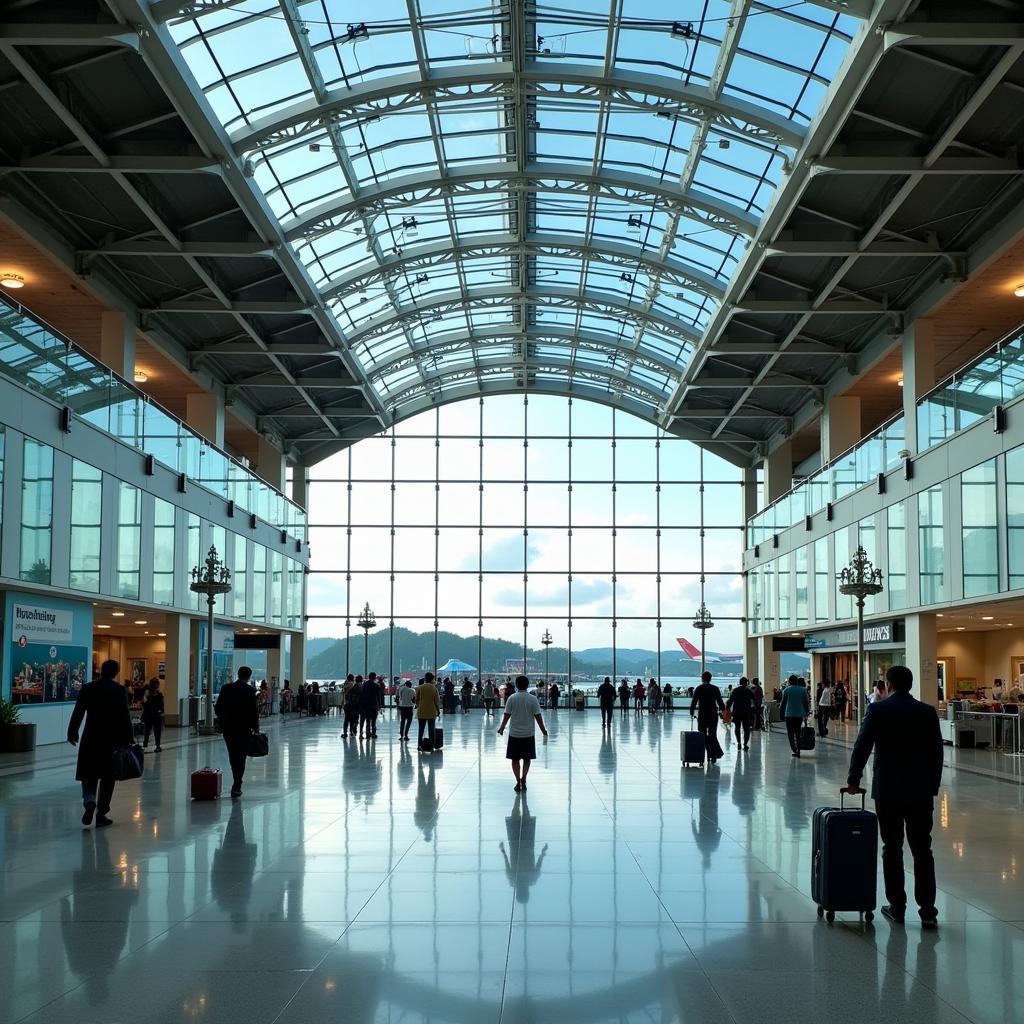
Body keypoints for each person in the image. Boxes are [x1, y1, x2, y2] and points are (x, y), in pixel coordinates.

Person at [843, 665, 943, 929]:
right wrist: (932, 785)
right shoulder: (927, 712)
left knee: (892, 847)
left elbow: (862, 745)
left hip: (888, 790)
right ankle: (928, 910)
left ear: (888, 685)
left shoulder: (878, 710)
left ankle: (897, 906)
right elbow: (937, 753)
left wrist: (854, 778)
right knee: (923, 849)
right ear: (910, 685)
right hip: (920, 791)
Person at [67, 659, 134, 828]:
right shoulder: (119, 690)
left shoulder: (88, 688)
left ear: (101, 671)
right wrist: (129, 737)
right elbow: (125, 716)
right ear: (115, 673)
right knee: (108, 777)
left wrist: (72, 731)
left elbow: (79, 711)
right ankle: (102, 813)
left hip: (91, 737)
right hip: (111, 741)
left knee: (89, 773)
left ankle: (89, 800)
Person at [214, 665, 259, 798]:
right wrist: (255, 726)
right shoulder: (250, 691)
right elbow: (253, 711)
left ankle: (237, 781)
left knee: (233, 755)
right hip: (244, 729)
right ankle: (237, 784)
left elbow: (218, 708)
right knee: (242, 756)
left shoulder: (226, 688)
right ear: (249, 676)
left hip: (228, 728)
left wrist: (223, 719)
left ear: (238, 675)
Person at [498, 675, 548, 791]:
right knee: (527, 758)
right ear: (527, 685)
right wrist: (543, 730)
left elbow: (506, 716)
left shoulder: (511, 698)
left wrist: (501, 728)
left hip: (514, 734)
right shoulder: (532, 699)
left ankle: (517, 781)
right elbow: (538, 716)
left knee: (514, 759)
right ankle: (524, 778)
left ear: (516, 685)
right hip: (528, 734)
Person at [690, 670, 726, 763]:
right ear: (710, 679)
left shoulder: (699, 688)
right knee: (712, 734)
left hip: (702, 714)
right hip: (713, 714)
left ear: (702, 679)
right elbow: (720, 701)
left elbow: (694, 701)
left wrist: (692, 712)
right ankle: (713, 753)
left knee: (702, 734)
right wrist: (723, 711)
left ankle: (708, 752)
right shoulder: (715, 688)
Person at [780, 674, 810, 757]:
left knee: (790, 733)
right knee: (798, 732)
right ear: (796, 681)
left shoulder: (786, 690)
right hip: (799, 714)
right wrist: (807, 711)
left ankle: (794, 749)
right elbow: (805, 703)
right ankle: (799, 749)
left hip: (789, 714)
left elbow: (783, 703)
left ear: (789, 681)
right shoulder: (803, 690)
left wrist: (781, 713)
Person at [415, 672, 441, 753]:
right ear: (432, 679)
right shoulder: (434, 688)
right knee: (431, 729)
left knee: (421, 729)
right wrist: (438, 710)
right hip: (431, 711)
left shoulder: (419, 687)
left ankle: (419, 745)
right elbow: (437, 701)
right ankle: (431, 746)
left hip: (421, 711)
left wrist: (420, 705)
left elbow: (416, 700)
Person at [726, 676, 754, 750]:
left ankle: (739, 743)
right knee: (746, 729)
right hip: (746, 712)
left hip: (736, 712)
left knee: (737, 728)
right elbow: (753, 700)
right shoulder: (749, 691)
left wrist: (727, 709)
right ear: (746, 683)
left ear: (739, 682)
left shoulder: (735, 690)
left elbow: (730, 701)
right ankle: (745, 744)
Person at [141, 678, 164, 751]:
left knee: (147, 730)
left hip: (150, 715)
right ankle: (157, 745)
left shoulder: (148, 694)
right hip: (155, 715)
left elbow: (144, 704)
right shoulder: (159, 694)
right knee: (155, 731)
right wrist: (160, 711)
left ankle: (146, 743)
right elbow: (161, 706)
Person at [358, 672, 381, 738]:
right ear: (375, 677)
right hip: (374, 705)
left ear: (369, 677)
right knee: (373, 721)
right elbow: (378, 697)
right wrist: (379, 705)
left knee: (367, 720)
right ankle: (373, 733)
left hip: (365, 705)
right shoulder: (376, 686)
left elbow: (361, 695)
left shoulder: (364, 685)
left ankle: (367, 733)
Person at [397, 677, 415, 742]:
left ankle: (401, 735)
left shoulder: (401, 689)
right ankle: (406, 735)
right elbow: (413, 700)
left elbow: (400, 698)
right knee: (408, 722)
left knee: (402, 721)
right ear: (410, 685)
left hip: (403, 707)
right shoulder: (412, 690)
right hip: (410, 707)